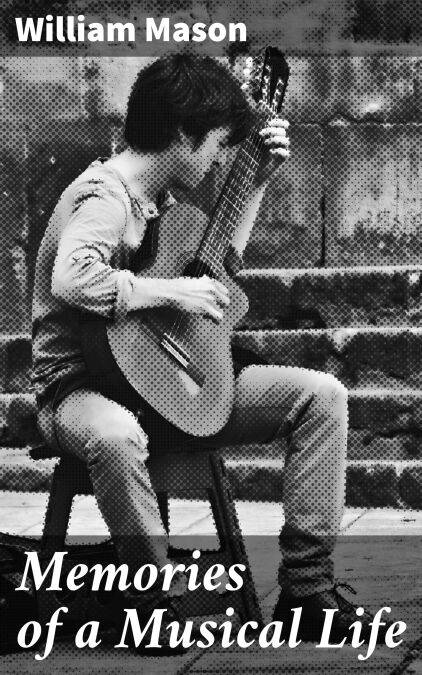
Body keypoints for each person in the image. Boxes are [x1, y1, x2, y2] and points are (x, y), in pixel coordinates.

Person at [31, 54, 390, 650]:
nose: (222, 159)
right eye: (220, 144)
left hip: (160, 377)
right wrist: (172, 291)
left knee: (321, 396)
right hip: (80, 387)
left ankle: (307, 589)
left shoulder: (166, 204)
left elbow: (217, 273)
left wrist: (257, 182)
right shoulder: (103, 196)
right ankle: (151, 605)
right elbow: (74, 279)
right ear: (182, 134)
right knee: (116, 436)